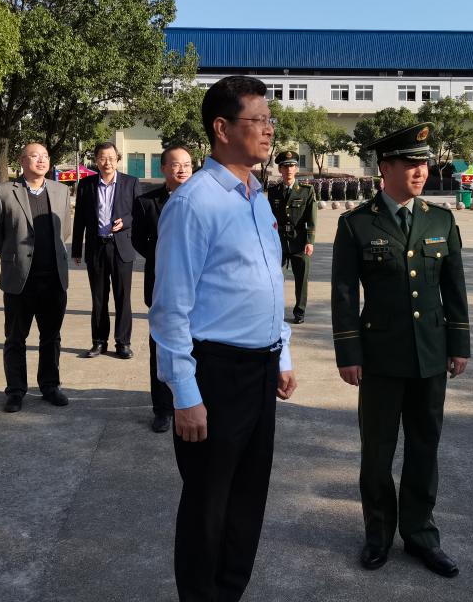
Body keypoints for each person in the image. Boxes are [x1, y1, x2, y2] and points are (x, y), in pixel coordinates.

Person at [150, 76, 298, 601]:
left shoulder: (256, 196)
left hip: (260, 369)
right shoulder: (194, 203)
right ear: (222, 128)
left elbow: (268, 281)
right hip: (215, 374)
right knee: (208, 505)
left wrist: (282, 351)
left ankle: (229, 592)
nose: (269, 130)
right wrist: (185, 394)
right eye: (258, 120)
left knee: (248, 498)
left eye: (269, 120)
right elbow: (170, 309)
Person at [331, 122, 471, 578]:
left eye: (423, 163)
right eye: (410, 163)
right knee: (377, 451)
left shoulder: (440, 220)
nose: (420, 171)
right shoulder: (356, 223)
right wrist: (349, 353)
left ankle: (421, 534)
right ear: (385, 168)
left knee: (425, 448)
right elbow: (344, 294)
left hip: (430, 353)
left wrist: (459, 343)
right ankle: (378, 534)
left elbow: (455, 289)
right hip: (380, 357)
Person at [0, 142, 72, 413]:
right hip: (19, 280)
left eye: (45, 156)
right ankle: (15, 391)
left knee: (51, 337)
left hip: (53, 279)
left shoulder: (61, 191)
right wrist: (12, 256)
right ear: (22, 161)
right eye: (34, 156)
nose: (41, 160)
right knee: (15, 338)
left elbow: (64, 230)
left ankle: (50, 385)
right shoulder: (3, 192)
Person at [132, 145, 194, 433]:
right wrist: (165, 258)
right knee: (162, 346)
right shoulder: (147, 202)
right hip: (161, 284)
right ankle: (163, 409)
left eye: (187, 164)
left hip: (198, 286)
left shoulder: (204, 199)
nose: (182, 169)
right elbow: (137, 240)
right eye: (176, 164)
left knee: (198, 346)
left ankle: (193, 402)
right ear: (164, 168)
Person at [72, 142, 138, 359]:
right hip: (96, 248)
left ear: (117, 159)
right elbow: (79, 219)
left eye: (111, 157)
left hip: (121, 248)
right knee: (98, 298)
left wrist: (125, 221)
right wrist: (76, 250)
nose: (107, 162)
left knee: (122, 297)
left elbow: (139, 213)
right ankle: (99, 342)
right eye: (102, 158)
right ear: (96, 160)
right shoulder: (86, 185)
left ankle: (123, 343)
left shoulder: (130, 182)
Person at [267, 150, 317, 324]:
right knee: (275, 279)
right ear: (280, 169)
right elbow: (269, 218)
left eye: (292, 166)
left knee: (301, 280)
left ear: (296, 169)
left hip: (300, 241)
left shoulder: (306, 191)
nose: (289, 169)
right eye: (285, 166)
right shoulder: (273, 191)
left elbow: (311, 218)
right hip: (279, 242)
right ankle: (276, 311)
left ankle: (300, 312)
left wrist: (310, 241)